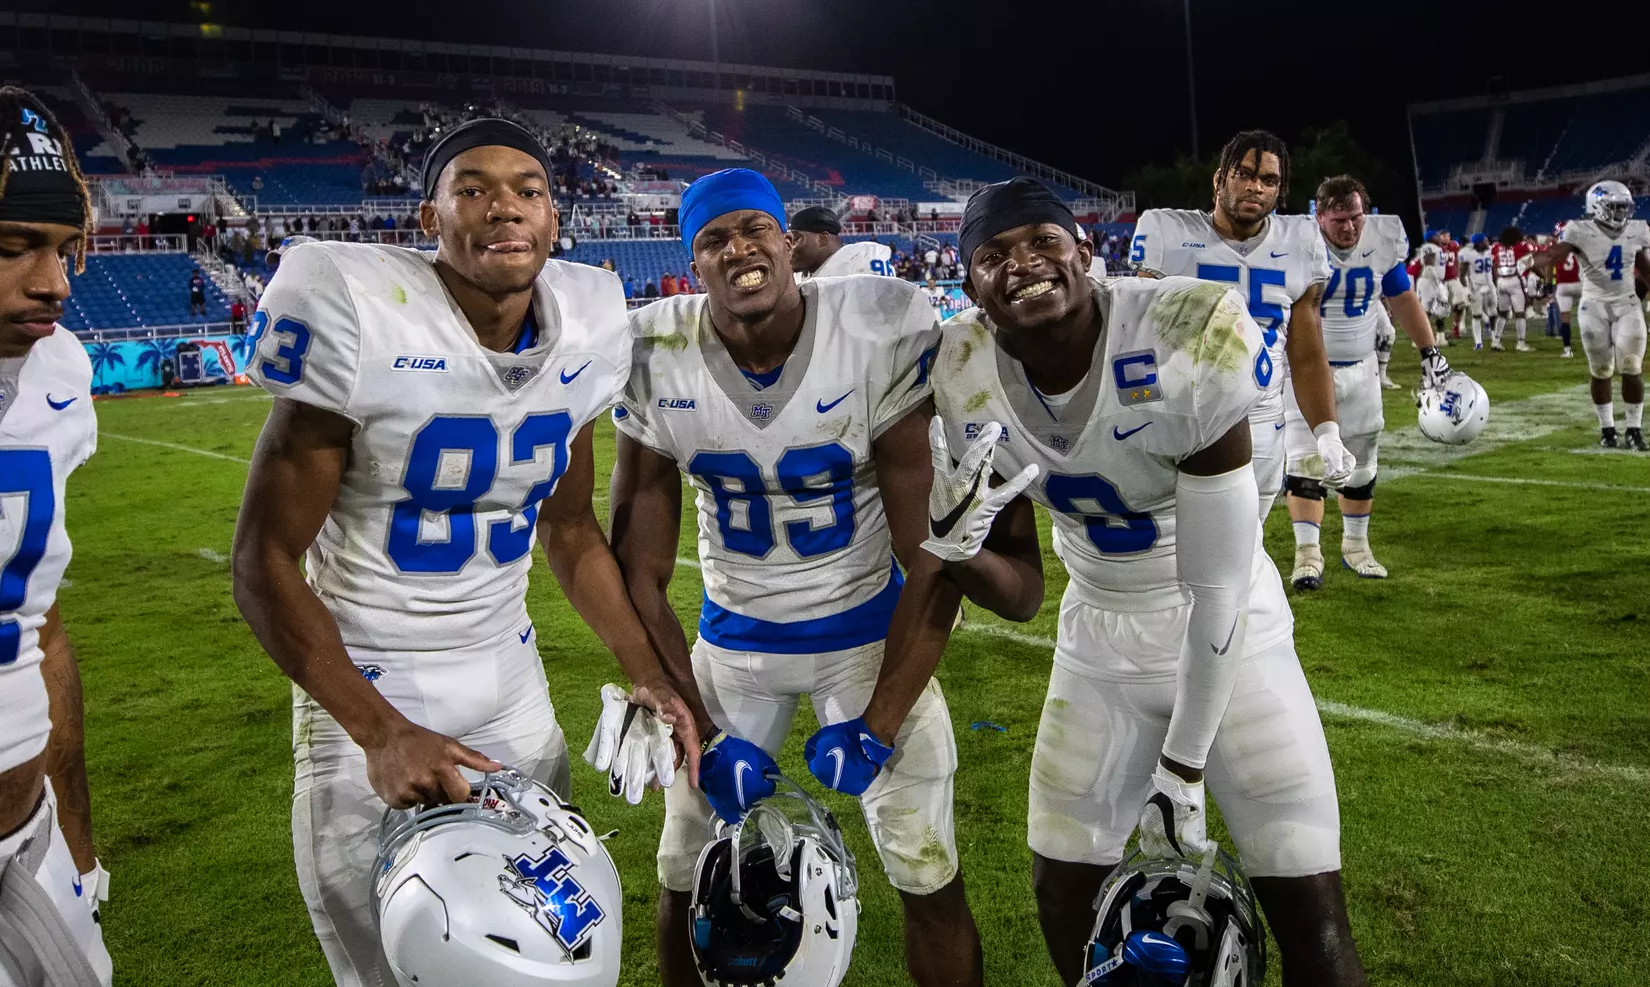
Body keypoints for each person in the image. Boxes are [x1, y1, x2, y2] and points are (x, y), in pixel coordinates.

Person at [230, 118, 697, 987]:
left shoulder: (586, 323)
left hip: (509, 686)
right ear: (428, 217)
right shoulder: (358, 310)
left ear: (556, 219)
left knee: (545, 961)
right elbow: (262, 562)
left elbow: (569, 528)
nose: (503, 207)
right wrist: (379, 731)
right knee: (395, 967)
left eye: (527, 189)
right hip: (365, 686)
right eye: (473, 188)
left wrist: (650, 673)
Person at [882, 175, 1365, 987]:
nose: (1023, 263)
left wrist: (1181, 769)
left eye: (1043, 240)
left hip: (1229, 632)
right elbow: (1026, 594)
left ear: (1085, 252)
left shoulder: (1185, 332)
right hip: (1096, 637)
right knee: (1064, 896)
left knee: (1310, 914)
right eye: (994, 254)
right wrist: (956, 547)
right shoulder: (963, 370)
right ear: (970, 285)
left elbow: (1213, 590)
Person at [608, 168, 984, 987]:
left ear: (789, 241)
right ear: (690, 266)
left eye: (754, 229)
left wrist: (880, 721)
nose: (737, 249)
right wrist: (694, 724)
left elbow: (930, 554)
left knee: (926, 867)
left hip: (864, 640)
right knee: (683, 867)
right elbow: (637, 570)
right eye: (712, 240)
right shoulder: (656, 352)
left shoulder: (873, 330)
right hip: (733, 646)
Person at [0, 86, 112, 985]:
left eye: (65, 249)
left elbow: (42, 624)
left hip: (30, 840)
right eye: (13, 248)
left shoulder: (58, 371)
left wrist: (76, 840)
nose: (55, 284)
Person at [1129, 129, 1354, 517]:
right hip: (1184, 414)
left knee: (1244, 550)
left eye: (1268, 180)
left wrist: (1328, 432)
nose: (1255, 187)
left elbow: (1306, 354)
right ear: (1219, 179)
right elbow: (1134, 338)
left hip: (1263, 419)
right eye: (1244, 174)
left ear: (1280, 190)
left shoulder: (1300, 241)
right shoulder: (1167, 232)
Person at [1284, 176, 1451, 588]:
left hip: (1362, 369)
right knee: (1306, 462)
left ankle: (1356, 547)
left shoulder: (1382, 237)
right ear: (1318, 216)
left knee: (1362, 464)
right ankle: (1308, 555)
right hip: (1306, 369)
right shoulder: (1295, 241)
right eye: (1338, 219)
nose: (1349, 228)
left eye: (1355, 217)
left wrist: (1429, 350)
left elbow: (1401, 297)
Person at [1529, 181, 1650, 449]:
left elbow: (1646, 272)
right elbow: (1553, 255)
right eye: (1615, 207)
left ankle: (1634, 430)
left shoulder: (1637, 230)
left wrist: (1636, 301)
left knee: (1631, 366)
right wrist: (1533, 263)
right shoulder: (1579, 230)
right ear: (1598, 207)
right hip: (1593, 305)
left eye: (1624, 208)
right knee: (1602, 370)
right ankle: (1608, 430)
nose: (1622, 214)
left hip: (1626, 303)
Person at [787, 206, 896, 278]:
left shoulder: (861, 259)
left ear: (823, 239)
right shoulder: (799, 275)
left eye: (796, 238)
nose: (788, 246)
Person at [1489, 226, 1534, 352]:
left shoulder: (1496, 247)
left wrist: (1495, 280)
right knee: (1520, 313)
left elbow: (1494, 265)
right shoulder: (1520, 247)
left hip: (1500, 280)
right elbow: (1531, 259)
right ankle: (1521, 344)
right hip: (1514, 280)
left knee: (1503, 313)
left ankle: (1496, 341)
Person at [1458, 233, 1496, 349]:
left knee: (1493, 314)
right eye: (1485, 241)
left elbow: (1493, 269)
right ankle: (1478, 342)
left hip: (1490, 286)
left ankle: (1495, 340)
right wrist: (1467, 291)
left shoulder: (1490, 252)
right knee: (1477, 315)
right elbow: (1462, 275)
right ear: (1479, 243)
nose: (1488, 242)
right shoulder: (1468, 254)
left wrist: (1496, 283)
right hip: (1476, 288)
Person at [1553, 240, 1582, 358]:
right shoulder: (1578, 248)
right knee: (1590, 315)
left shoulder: (1556, 249)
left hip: (1562, 286)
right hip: (1579, 284)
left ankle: (1567, 349)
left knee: (1565, 319)